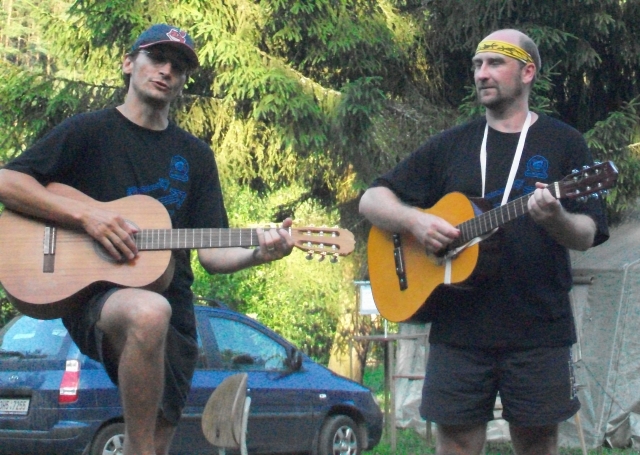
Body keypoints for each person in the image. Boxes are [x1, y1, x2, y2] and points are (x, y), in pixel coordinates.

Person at [0, 24, 294, 455]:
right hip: (94, 296)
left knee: (160, 435)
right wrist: (88, 216)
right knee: (147, 311)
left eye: (178, 67)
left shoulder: (196, 156)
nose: (166, 71)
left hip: (174, 304)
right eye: (156, 58)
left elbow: (213, 254)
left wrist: (259, 253)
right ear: (128, 63)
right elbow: (8, 182)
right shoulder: (88, 131)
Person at [359, 29, 609, 455]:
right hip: (459, 329)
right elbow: (371, 199)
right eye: (477, 65)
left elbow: (586, 233)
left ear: (527, 72)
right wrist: (416, 221)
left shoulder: (564, 143)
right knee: (455, 442)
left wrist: (557, 219)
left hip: (538, 328)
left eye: (495, 63)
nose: (481, 74)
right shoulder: (452, 144)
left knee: (537, 442)